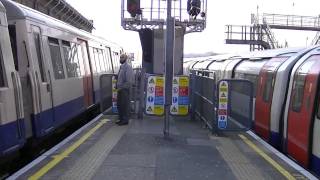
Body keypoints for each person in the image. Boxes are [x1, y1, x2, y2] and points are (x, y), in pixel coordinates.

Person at [116, 54, 134, 126]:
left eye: (122, 57)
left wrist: (122, 87)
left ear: (126, 59)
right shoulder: (121, 67)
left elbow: (129, 81)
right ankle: (121, 119)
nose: (121, 58)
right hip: (120, 89)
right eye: (120, 57)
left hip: (125, 90)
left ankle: (125, 120)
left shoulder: (128, 67)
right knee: (119, 105)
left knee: (124, 105)